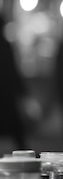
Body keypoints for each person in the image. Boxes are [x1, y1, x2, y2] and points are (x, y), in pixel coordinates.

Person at [0, 14, 27, 149]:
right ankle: (23, 149)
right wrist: (21, 90)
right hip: (5, 92)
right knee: (14, 124)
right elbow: (11, 69)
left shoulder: (5, 45)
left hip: (5, 91)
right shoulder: (5, 45)